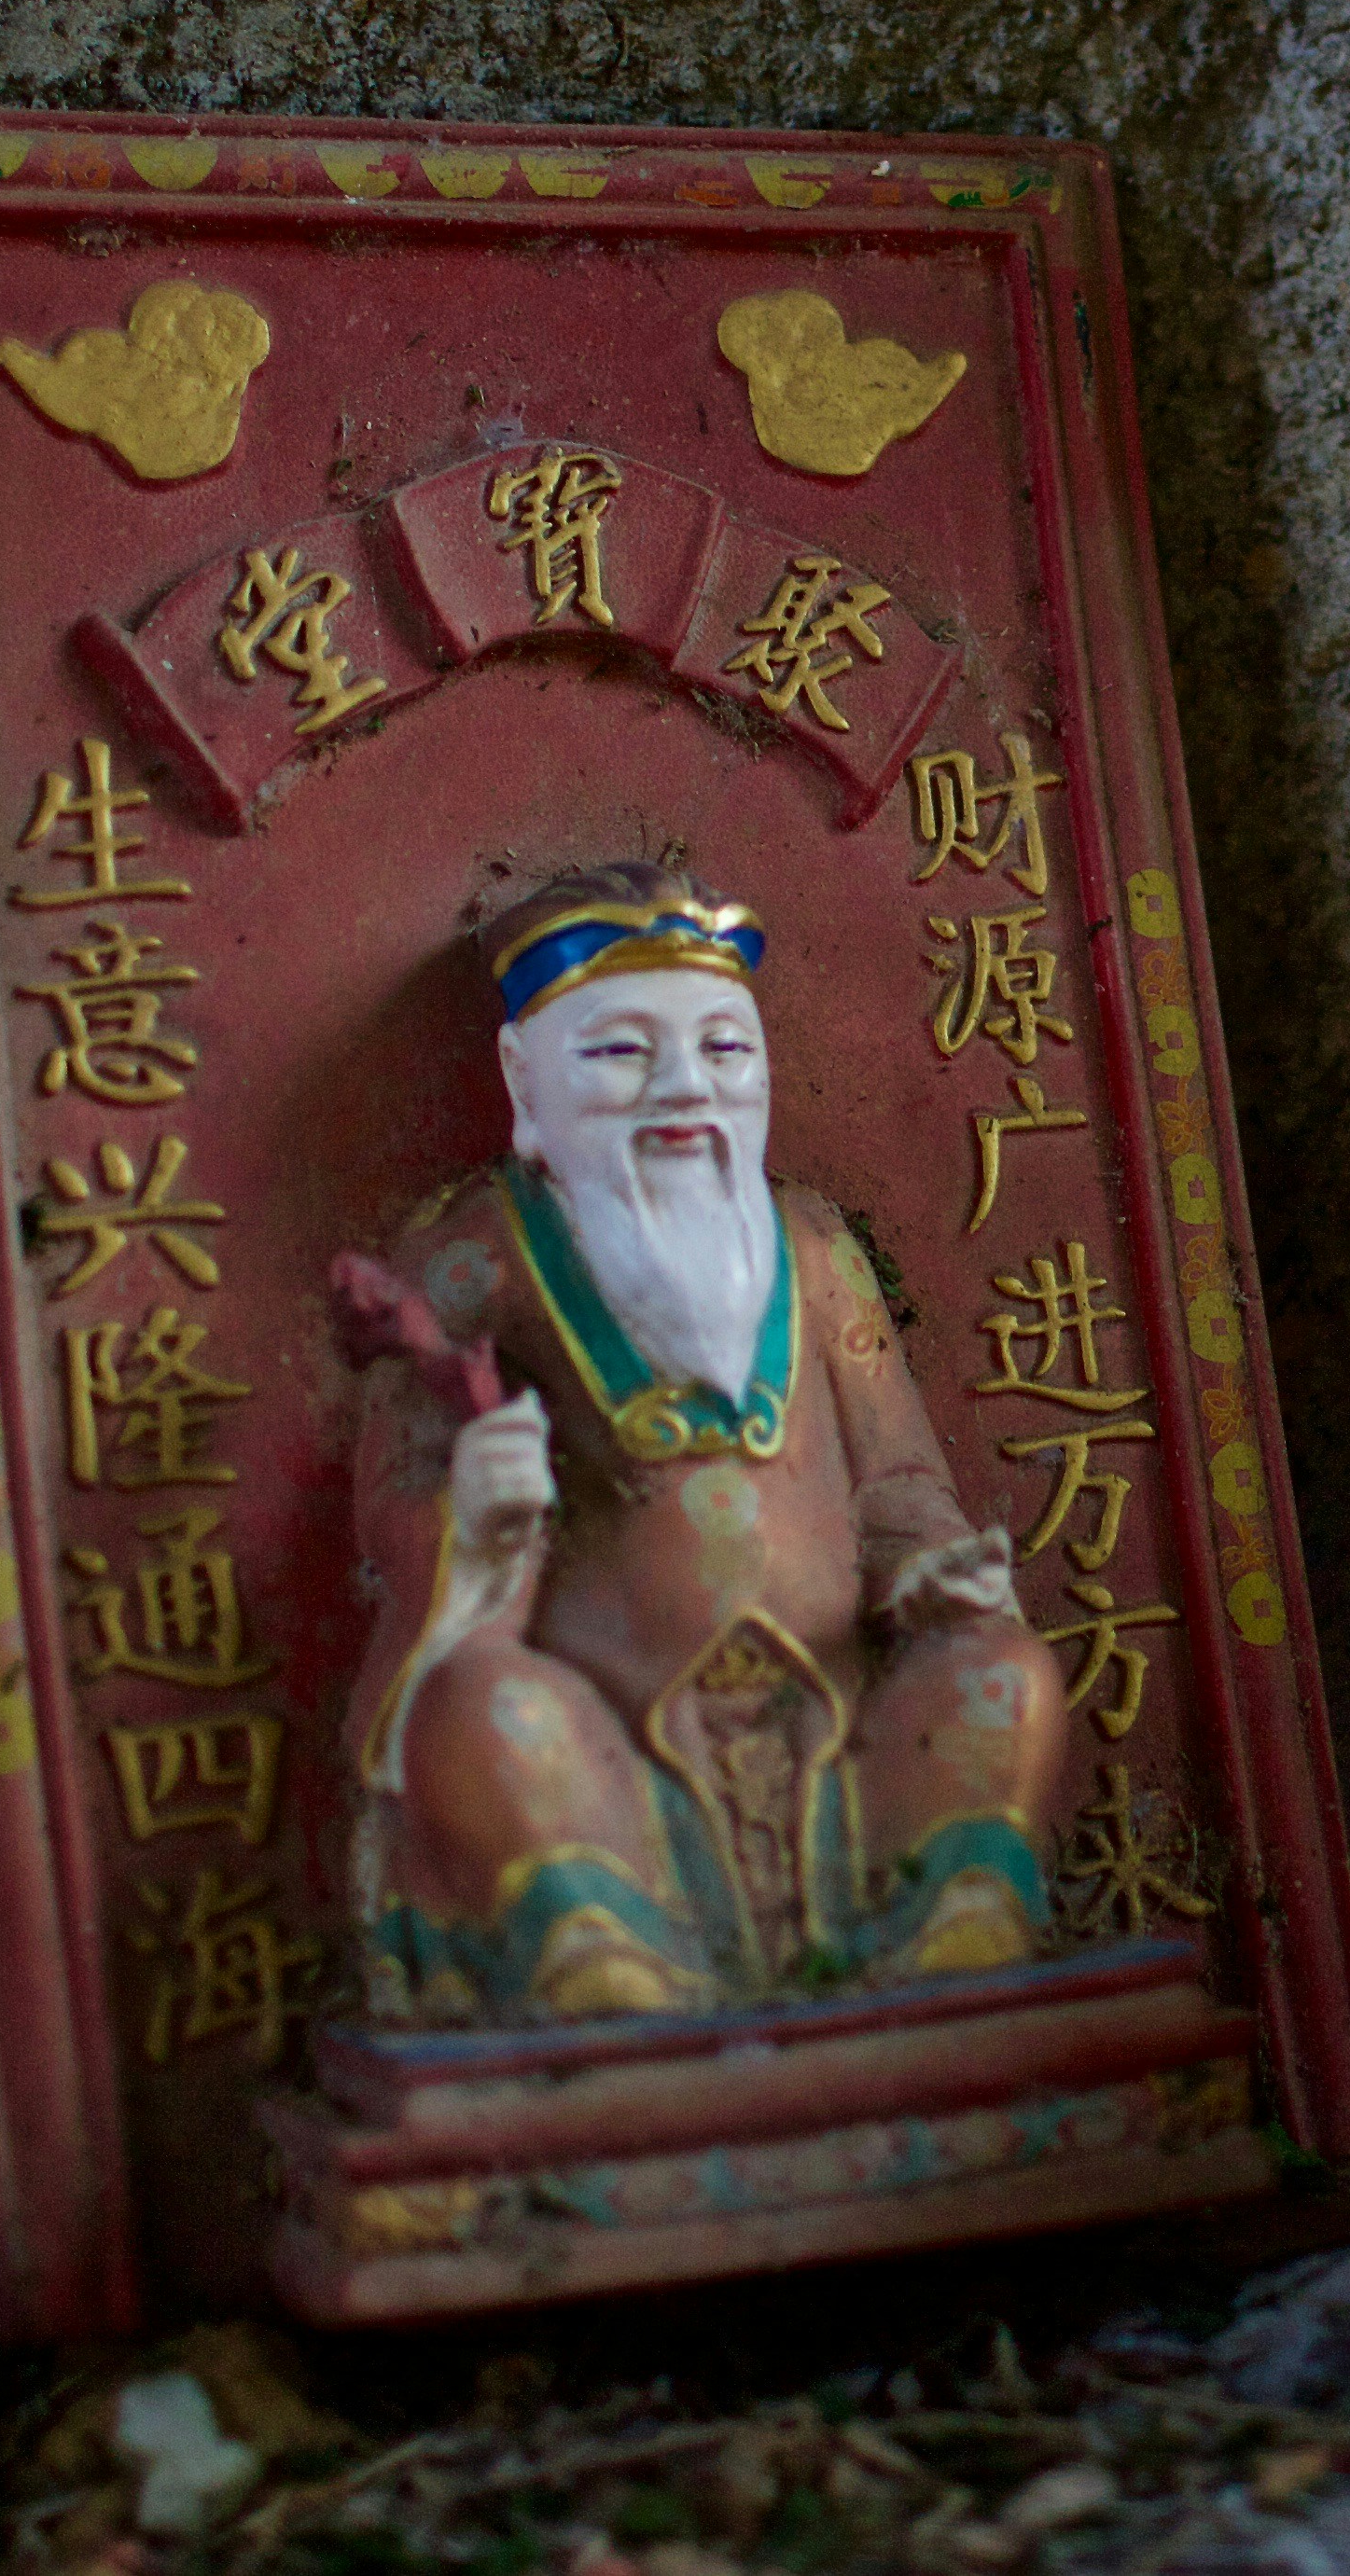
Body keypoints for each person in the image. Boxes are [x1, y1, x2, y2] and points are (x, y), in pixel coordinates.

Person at [338, 860, 1065, 2023]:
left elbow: (897, 1482)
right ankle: (605, 1958)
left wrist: (937, 1572)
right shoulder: (474, 1264)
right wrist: (469, 1515)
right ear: (525, 1082)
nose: (684, 1088)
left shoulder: (817, 1256)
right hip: (603, 1744)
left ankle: (933, 1938)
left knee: (1006, 1680)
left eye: (724, 1052)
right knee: (479, 1716)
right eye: (622, 1053)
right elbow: (398, 1495)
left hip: (836, 1720)